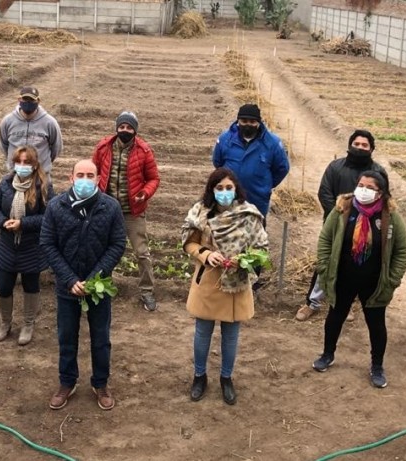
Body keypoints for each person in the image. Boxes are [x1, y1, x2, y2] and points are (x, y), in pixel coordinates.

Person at [40, 159, 126, 411]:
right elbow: (48, 243)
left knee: (101, 338)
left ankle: (101, 383)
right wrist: (69, 279)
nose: (85, 180)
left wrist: (94, 279)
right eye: (81, 175)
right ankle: (67, 381)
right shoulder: (56, 206)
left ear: (98, 179)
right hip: (67, 288)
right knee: (67, 336)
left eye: (90, 175)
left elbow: (117, 244)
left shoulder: (110, 207)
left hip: (97, 288)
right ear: (71, 178)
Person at [311, 171, 406, 388]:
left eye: (370, 187)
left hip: (374, 282)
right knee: (335, 316)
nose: (363, 190)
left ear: (381, 193)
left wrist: (392, 279)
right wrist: (325, 269)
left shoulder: (390, 217)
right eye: (361, 185)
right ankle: (327, 355)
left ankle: (377, 366)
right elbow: (325, 241)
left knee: (376, 323)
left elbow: (401, 250)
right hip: (343, 277)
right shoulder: (342, 210)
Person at [182, 167, 269, 405]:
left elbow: (261, 249)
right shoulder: (200, 212)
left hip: (237, 283)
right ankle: (199, 376)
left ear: (236, 189)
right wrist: (205, 254)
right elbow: (189, 243)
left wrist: (244, 260)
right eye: (219, 188)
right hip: (208, 281)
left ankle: (226, 378)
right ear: (212, 190)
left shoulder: (249, 215)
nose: (224, 192)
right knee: (203, 332)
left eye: (229, 188)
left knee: (231, 336)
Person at [297, 129, 388, 321]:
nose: (360, 148)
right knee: (325, 264)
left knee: (356, 265)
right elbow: (325, 193)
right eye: (357, 144)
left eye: (365, 145)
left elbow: (383, 199)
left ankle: (348, 304)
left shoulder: (378, 172)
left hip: (365, 229)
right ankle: (312, 302)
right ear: (349, 145)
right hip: (335, 226)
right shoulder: (336, 167)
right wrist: (339, 219)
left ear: (372, 148)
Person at [92, 110, 161, 311]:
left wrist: (144, 193)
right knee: (101, 249)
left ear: (135, 130)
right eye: (122, 126)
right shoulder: (104, 147)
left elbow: (154, 178)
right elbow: (93, 171)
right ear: (116, 128)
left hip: (133, 210)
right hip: (106, 209)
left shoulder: (144, 150)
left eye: (129, 127)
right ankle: (101, 285)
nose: (125, 130)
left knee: (141, 252)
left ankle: (147, 291)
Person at [0, 145, 53, 346]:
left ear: (35, 165)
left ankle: (28, 324)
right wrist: (3, 222)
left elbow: (48, 217)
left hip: (31, 246)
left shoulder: (44, 186)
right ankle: (5, 323)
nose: (22, 165)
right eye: (19, 161)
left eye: (27, 162)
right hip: (7, 245)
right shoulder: (6, 183)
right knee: (3, 286)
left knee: (30, 286)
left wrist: (23, 224)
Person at [212, 103, 290, 220]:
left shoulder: (272, 143)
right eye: (244, 121)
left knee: (255, 233)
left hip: (257, 199)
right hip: (231, 198)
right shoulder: (225, 139)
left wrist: (266, 184)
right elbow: (218, 163)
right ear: (238, 121)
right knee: (228, 232)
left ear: (259, 123)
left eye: (252, 122)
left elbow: (282, 168)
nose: (248, 125)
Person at [0, 86, 63, 179]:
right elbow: (4, 145)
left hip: (41, 176)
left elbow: (56, 148)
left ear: (38, 101)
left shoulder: (49, 122)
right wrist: (16, 161)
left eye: (32, 100)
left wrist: (42, 163)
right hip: (15, 175)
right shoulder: (8, 121)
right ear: (19, 99)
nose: (28, 102)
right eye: (25, 99)